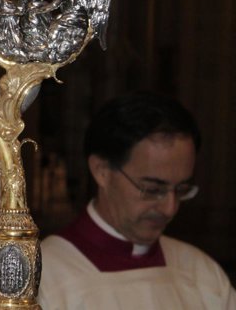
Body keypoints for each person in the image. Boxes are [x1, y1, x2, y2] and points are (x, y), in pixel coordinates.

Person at [38, 92, 236, 309]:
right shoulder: (43, 277)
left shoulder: (202, 275)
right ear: (102, 171)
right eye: (153, 189)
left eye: (181, 189)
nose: (169, 208)